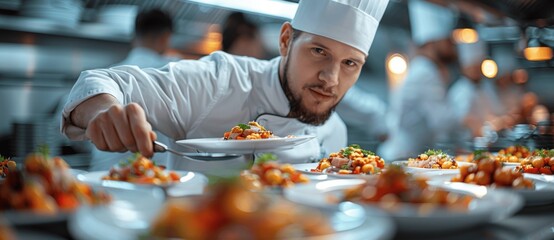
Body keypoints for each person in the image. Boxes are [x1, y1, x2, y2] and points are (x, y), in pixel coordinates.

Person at [60, 0, 390, 174]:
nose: (331, 79)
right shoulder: (222, 81)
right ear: (286, 40)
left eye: (351, 63)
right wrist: (104, 110)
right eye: (319, 51)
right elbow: (101, 81)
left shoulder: (336, 133)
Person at [88, 9, 179, 171]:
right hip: (147, 181)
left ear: (135, 36)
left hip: (101, 177)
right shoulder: (173, 72)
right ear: (166, 37)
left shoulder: (108, 72)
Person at [378, 0, 458, 160]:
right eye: (448, 40)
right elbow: (443, 122)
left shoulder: (425, 69)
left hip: (411, 154)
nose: (453, 46)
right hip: (402, 157)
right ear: (432, 42)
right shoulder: (425, 72)